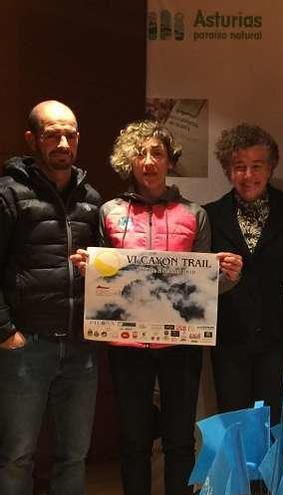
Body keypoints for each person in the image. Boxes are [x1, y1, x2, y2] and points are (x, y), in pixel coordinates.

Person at [71, 120, 242, 495]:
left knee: (180, 440)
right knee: (133, 442)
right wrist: (89, 270)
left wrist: (229, 275)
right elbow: (103, 282)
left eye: (157, 153)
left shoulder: (194, 215)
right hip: (127, 345)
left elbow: (206, 288)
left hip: (180, 345)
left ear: (170, 161)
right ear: (128, 161)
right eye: (140, 153)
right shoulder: (109, 212)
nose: (148, 161)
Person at [0, 100, 101, 494]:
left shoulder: (91, 197)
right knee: (16, 456)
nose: (63, 142)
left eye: (70, 135)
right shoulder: (8, 194)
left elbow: (106, 269)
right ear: (32, 139)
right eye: (52, 134)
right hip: (25, 346)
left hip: (81, 347)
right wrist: (6, 330)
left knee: (74, 456)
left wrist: (95, 267)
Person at [205, 123, 283, 425]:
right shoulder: (209, 215)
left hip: (279, 341)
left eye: (256, 166)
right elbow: (197, 284)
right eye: (239, 167)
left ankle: (268, 477)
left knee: (275, 428)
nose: (248, 176)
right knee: (234, 429)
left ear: (271, 167)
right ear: (227, 170)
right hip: (229, 342)